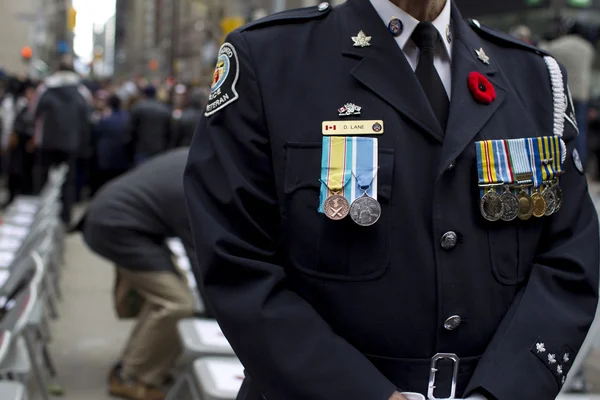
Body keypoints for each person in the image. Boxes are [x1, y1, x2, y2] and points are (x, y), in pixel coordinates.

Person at [184, 1, 599, 400]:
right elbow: (236, 262)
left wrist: (504, 390)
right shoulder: (269, 59)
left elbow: (569, 260)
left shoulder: (533, 77)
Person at [81, 148, 196, 400]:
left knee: (171, 298)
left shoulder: (196, 156)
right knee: (178, 303)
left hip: (121, 220)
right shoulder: (197, 180)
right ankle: (131, 376)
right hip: (118, 226)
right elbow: (200, 250)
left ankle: (141, 366)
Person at [29, 58, 92, 225]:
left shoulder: (45, 88)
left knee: (42, 179)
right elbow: (87, 119)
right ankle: (65, 219)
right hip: (71, 143)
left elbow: (33, 113)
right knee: (68, 183)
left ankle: (40, 220)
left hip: (46, 142)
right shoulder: (81, 91)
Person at [542, 20, 597, 168]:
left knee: (561, 129)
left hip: (563, 93)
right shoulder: (588, 48)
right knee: (581, 130)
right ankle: (581, 163)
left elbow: (543, 51)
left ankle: (563, 161)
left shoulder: (560, 44)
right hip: (583, 94)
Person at [5, 79, 36, 206]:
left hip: (29, 147)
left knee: (26, 174)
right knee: (14, 172)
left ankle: (23, 197)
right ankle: (12, 197)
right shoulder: (21, 106)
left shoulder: (35, 109)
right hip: (18, 146)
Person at [91, 94, 130, 194]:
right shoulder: (127, 117)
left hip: (107, 157)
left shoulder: (105, 119)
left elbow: (96, 132)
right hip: (123, 155)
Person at [129, 85, 172, 166]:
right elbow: (170, 133)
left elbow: (131, 131)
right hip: (160, 150)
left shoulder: (138, 108)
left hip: (142, 150)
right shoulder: (165, 109)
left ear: (144, 94)